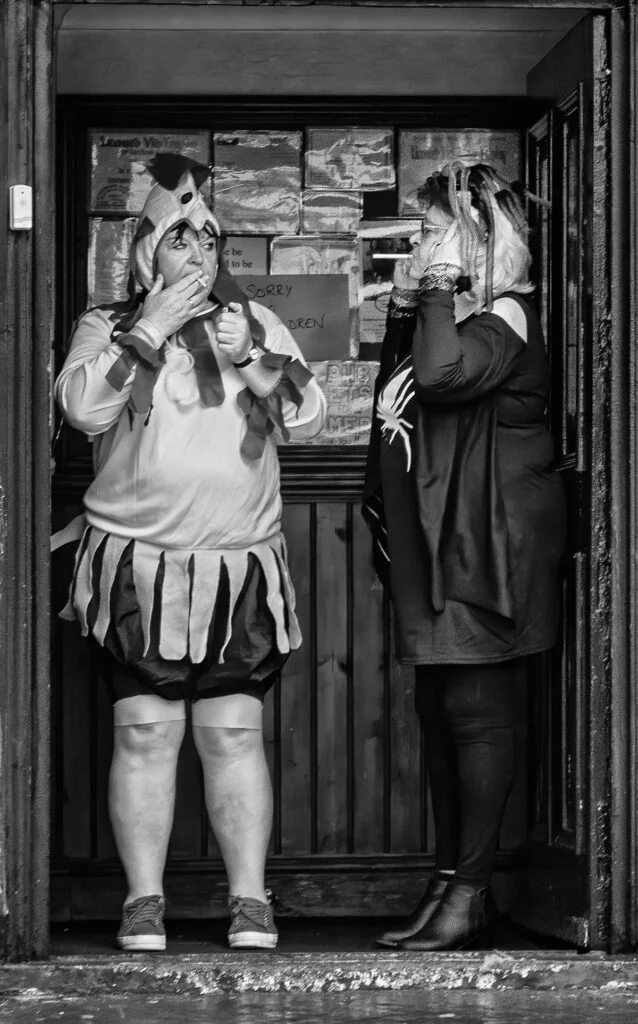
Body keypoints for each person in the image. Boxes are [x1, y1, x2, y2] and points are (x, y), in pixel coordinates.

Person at [55, 154, 326, 953]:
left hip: (240, 570)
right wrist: (149, 331)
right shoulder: (109, 323)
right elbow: (81, 408)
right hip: (137, 568)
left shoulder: (254, 324)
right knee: (145, 733)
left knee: (234, 735)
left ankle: (249, 901)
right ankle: (144, 902)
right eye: (183, 238)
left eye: (211, 238)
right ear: (149, 253)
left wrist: (249, 356)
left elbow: (307, 415)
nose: (202, 252)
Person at [363, 162, 566, 951]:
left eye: (432, 232)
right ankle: (450, 881)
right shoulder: (457, 314)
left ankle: (471, 892)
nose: (418, 246)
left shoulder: (508, 317)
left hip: (490, 548)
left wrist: (440, 280)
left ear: (478, 245)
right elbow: (397, 383)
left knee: (477, 718)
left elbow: (441, 378)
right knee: (442, 715)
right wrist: (416, 300)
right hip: (450, 542)